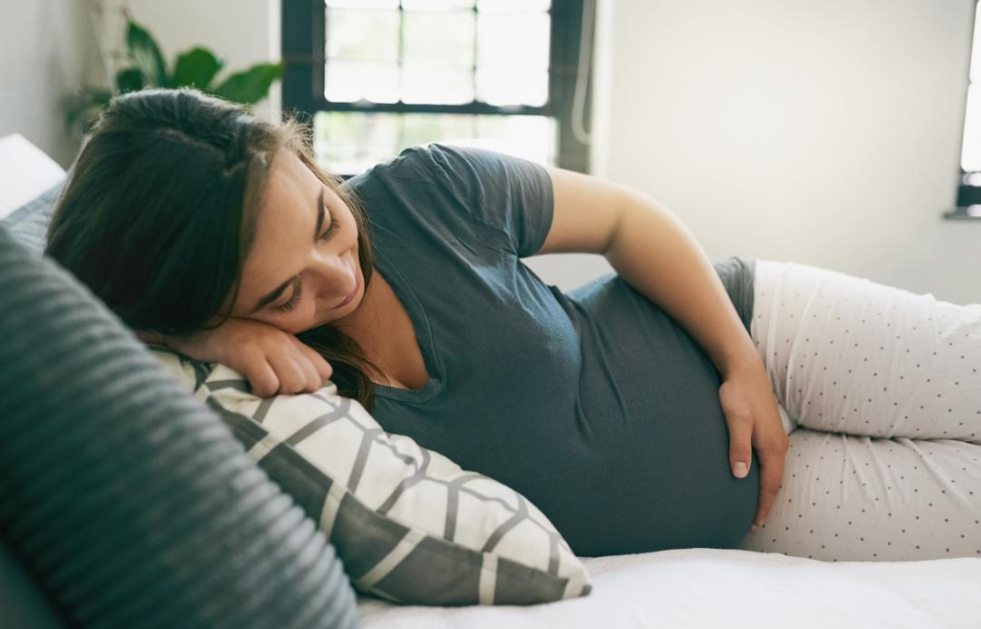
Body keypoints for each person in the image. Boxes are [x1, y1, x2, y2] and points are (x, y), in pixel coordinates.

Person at [45, 88, 981, 561]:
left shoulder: (424, 191)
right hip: (757, 507)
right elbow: (74, 339)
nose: (337, 276)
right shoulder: (267, 384)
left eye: (327, 219)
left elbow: (625, 218)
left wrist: (739, 362)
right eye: (283, 293)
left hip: (765, 332)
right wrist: (203, 339)